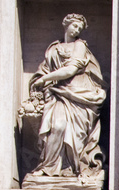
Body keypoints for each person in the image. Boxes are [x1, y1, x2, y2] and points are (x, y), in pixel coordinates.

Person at [24, 13, 107, 180]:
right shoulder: (53, 48)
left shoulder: (80, 46)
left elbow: (71, 70)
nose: (77, 30)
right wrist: (42, 81)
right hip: (57, 94)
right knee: (57, 127)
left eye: (80, 28)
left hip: (78, 95)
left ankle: (73, 169)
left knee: (74, 134)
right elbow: (44, 69)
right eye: (75, 26)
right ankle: (49, 167)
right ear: (66, 24)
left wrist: (45, 79)